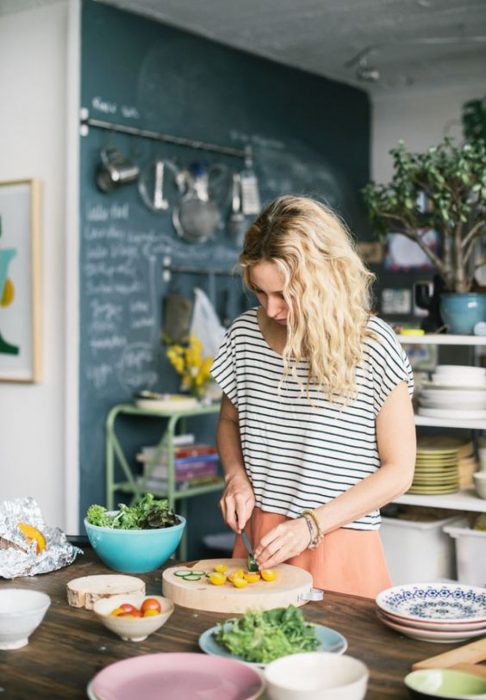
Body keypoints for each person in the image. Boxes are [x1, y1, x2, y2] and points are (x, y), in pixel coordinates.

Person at [211, 195, 416, 598]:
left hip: (338, 542)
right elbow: (229, 422)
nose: (270, 309)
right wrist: (235, 476)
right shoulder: (243, 336)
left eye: (286, 295)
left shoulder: (372, 344)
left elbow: (399, 472)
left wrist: (310, 525)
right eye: (260, 292)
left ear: (324, 280)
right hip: (262, 540)